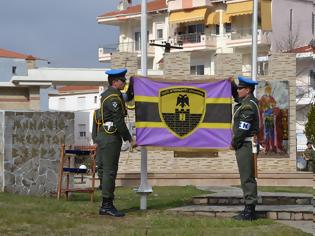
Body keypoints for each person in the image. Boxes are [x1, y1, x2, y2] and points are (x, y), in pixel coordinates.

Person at [96, 68, 136, 217]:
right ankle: (106, 205)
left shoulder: (113, 95)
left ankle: (107, 204)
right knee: (109, 172)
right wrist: (130, 139)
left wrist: (132, 88)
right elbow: (118, 121)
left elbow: (127, 97)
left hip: (108, 137)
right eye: (122, 80)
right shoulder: (112, 98)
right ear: (114, 81)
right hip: (110, 137)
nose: (124, 83)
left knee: (109, 171)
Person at [230, 76, 259, 221]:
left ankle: (250, 211)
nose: (238, 90)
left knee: (247, 177)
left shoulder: (248, 106)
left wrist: (234, 143)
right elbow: (236, 95)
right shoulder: (247, 101)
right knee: (246, 176)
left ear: (247, 90)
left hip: (246, 144)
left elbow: (243, 128)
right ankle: (248, 207)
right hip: (245, 144)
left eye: (240, 88)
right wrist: (231, 83)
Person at [91, 108, 103, 190]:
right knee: (100, 163)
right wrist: (95, 140)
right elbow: (94, 128)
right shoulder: (97, 113)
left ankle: (107, 184)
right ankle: (102, 183)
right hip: (99, 142)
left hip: (109, 142)